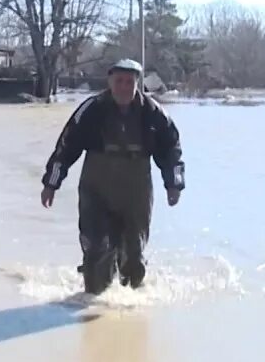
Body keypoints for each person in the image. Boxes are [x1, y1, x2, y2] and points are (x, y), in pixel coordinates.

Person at [39, 59, 186, 295]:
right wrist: (51, 184)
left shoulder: (153, 112)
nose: (124, 87)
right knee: (97, 249)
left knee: (133, 257)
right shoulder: (91, 110)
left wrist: (174, 184)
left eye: (130, 82)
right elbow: (65, 148)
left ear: (137, 84)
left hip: (136, 189)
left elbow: (172, 149)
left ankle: (130, 311)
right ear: (109, 82)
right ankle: (92, 305)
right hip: (96, 188)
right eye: (119, 81)